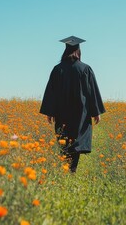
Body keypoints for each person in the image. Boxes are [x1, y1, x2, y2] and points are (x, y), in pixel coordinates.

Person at [40, 36, 106, 173]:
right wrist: (96, 112)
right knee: (76, 141)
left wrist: (50, 112)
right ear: (78, 51)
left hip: (62, 111)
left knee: (64, 139)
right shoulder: (85, 69)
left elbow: (51, 91)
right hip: (80, 113)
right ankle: (72, 170)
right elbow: (91, 92)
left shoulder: (57, 69)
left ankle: (66, 169)